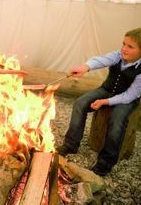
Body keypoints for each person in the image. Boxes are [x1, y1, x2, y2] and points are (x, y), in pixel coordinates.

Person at [57, 27, 141, 176]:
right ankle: (70, 144)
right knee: (80, 103)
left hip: (126, 99)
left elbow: (129, 95)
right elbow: (101, 60)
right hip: (106, 90)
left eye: (130, 46)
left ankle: (106, 162)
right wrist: (85, 67)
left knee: (117, 119)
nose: (123, 48)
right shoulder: (118, 55)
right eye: (123, 44)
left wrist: (104, 102)